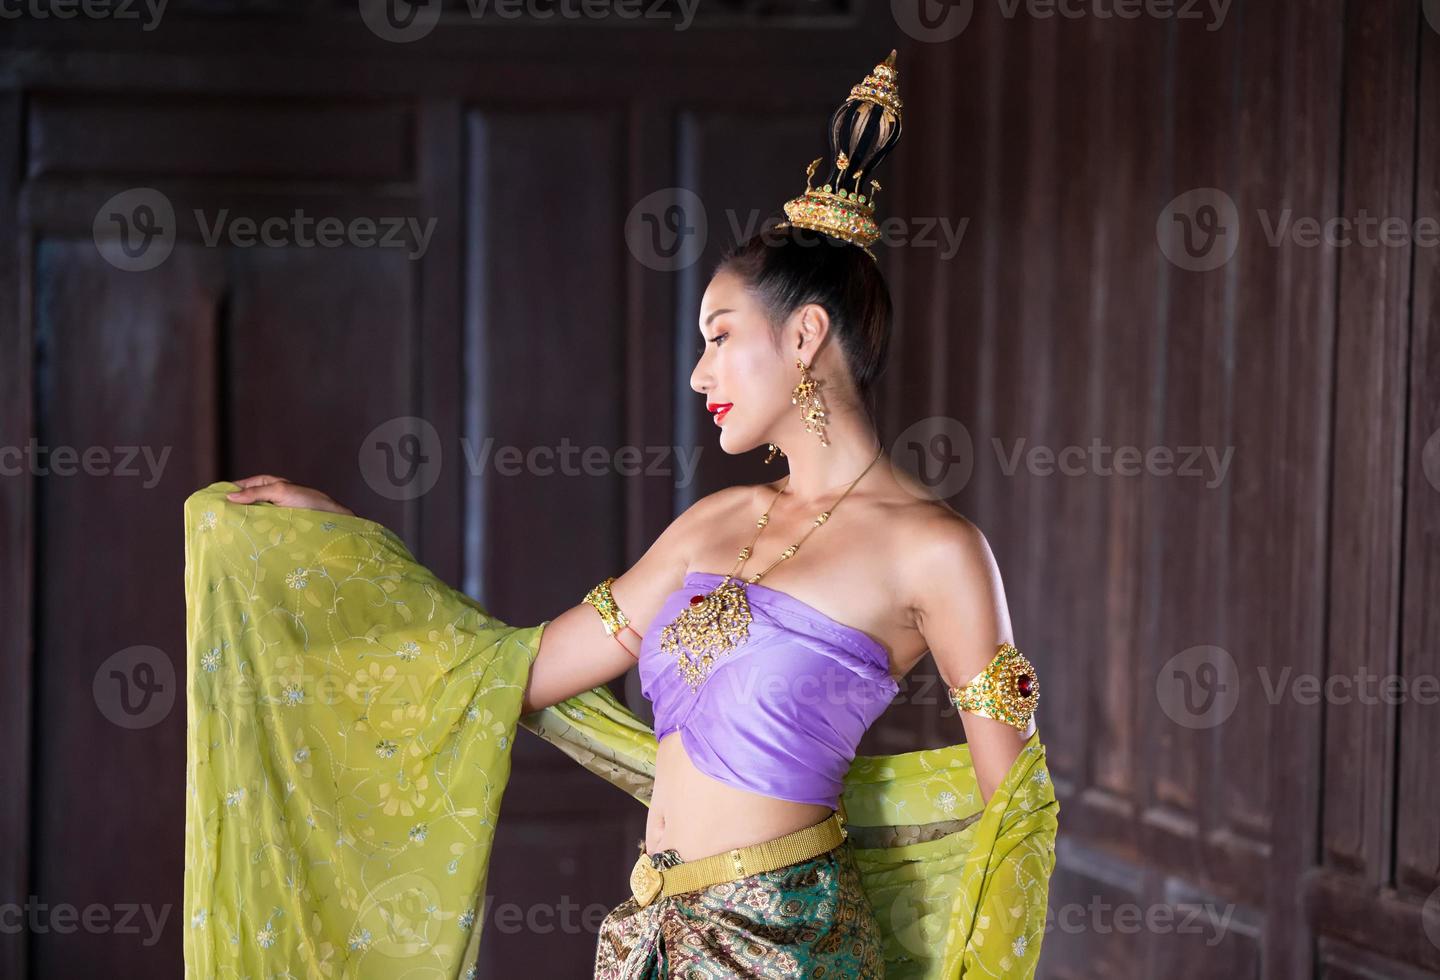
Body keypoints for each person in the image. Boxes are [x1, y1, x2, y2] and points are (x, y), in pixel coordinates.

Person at [201, 50, 1057, 979]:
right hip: (648, 941)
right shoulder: (711, 526)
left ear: (805, 335)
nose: (700, 375)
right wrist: (340, 544)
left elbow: (1016, 815)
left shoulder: (937, 553)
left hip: (795, 948)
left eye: (721, 337)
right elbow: (516, 671)